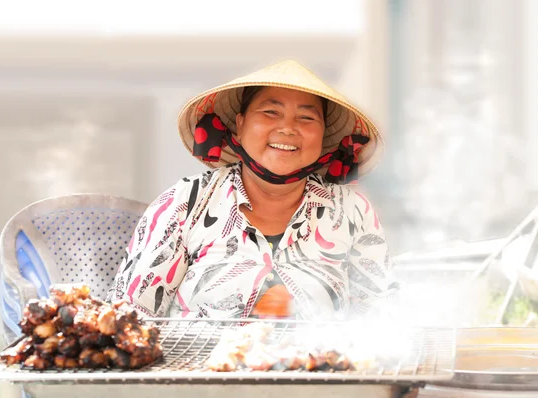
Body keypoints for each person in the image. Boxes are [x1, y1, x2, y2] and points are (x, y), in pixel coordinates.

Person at [106, 60, 399, 320]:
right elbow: (131, 315)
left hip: (320, 378)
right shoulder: (187, 202)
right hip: (197, 378)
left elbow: (381, 319)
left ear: (323, 136)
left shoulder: (352, 210)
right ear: (240, 124)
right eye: (271, 112)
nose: (287, 128)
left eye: (306, 118)